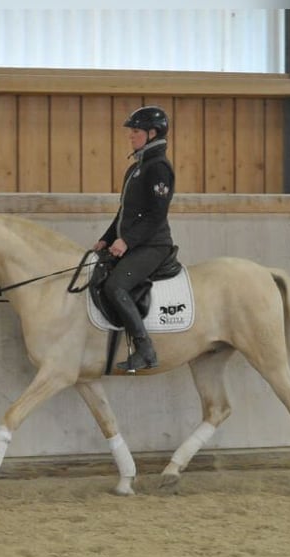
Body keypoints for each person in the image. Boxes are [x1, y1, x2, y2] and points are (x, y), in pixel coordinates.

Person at [92, 105, 176, 372]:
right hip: (135, 242)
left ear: (152, 133)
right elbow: (124, 213)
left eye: (136, 131)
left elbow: (156, 214)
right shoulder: (135, 169)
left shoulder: (159, 167)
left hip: (153, 245)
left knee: (115, 286)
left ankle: (145, 349)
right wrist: (106, 239)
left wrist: (126, 241)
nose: (131, 136)